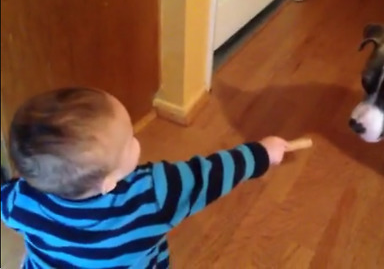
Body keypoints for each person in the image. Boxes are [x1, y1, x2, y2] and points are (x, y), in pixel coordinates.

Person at [1, 87, 289, 268]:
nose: (136, 140)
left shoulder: (21, 200)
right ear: (108, 183)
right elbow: (210, 175)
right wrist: (262, 154)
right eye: (129, 140)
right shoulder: (152, 196)